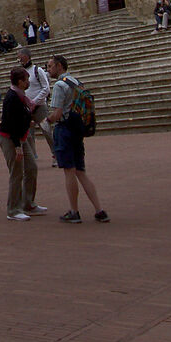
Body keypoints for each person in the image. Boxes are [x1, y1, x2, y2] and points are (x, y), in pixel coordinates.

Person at [39, 54, 108, 225]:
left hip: (65, 130)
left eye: (50, 66)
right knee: (81, 171)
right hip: (77, 129)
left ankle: (74, 211)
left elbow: (57, 113)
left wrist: (46, 121)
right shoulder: (75, 82)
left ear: (59, 66)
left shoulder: (60, 85)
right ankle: (99, 210)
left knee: (69, 171)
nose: (48, 70)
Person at [0, 66, 43, 219]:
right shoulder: (12, 97)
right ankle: (13, 209)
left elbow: (20, 117)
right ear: (19, 81)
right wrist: (17, 147)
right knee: (16, 173)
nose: (28, 81)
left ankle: (27, 203)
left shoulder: (20, 96)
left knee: (31, 168)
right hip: (10, 138)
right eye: (26, 79)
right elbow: (11, 123)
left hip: (20, 137)